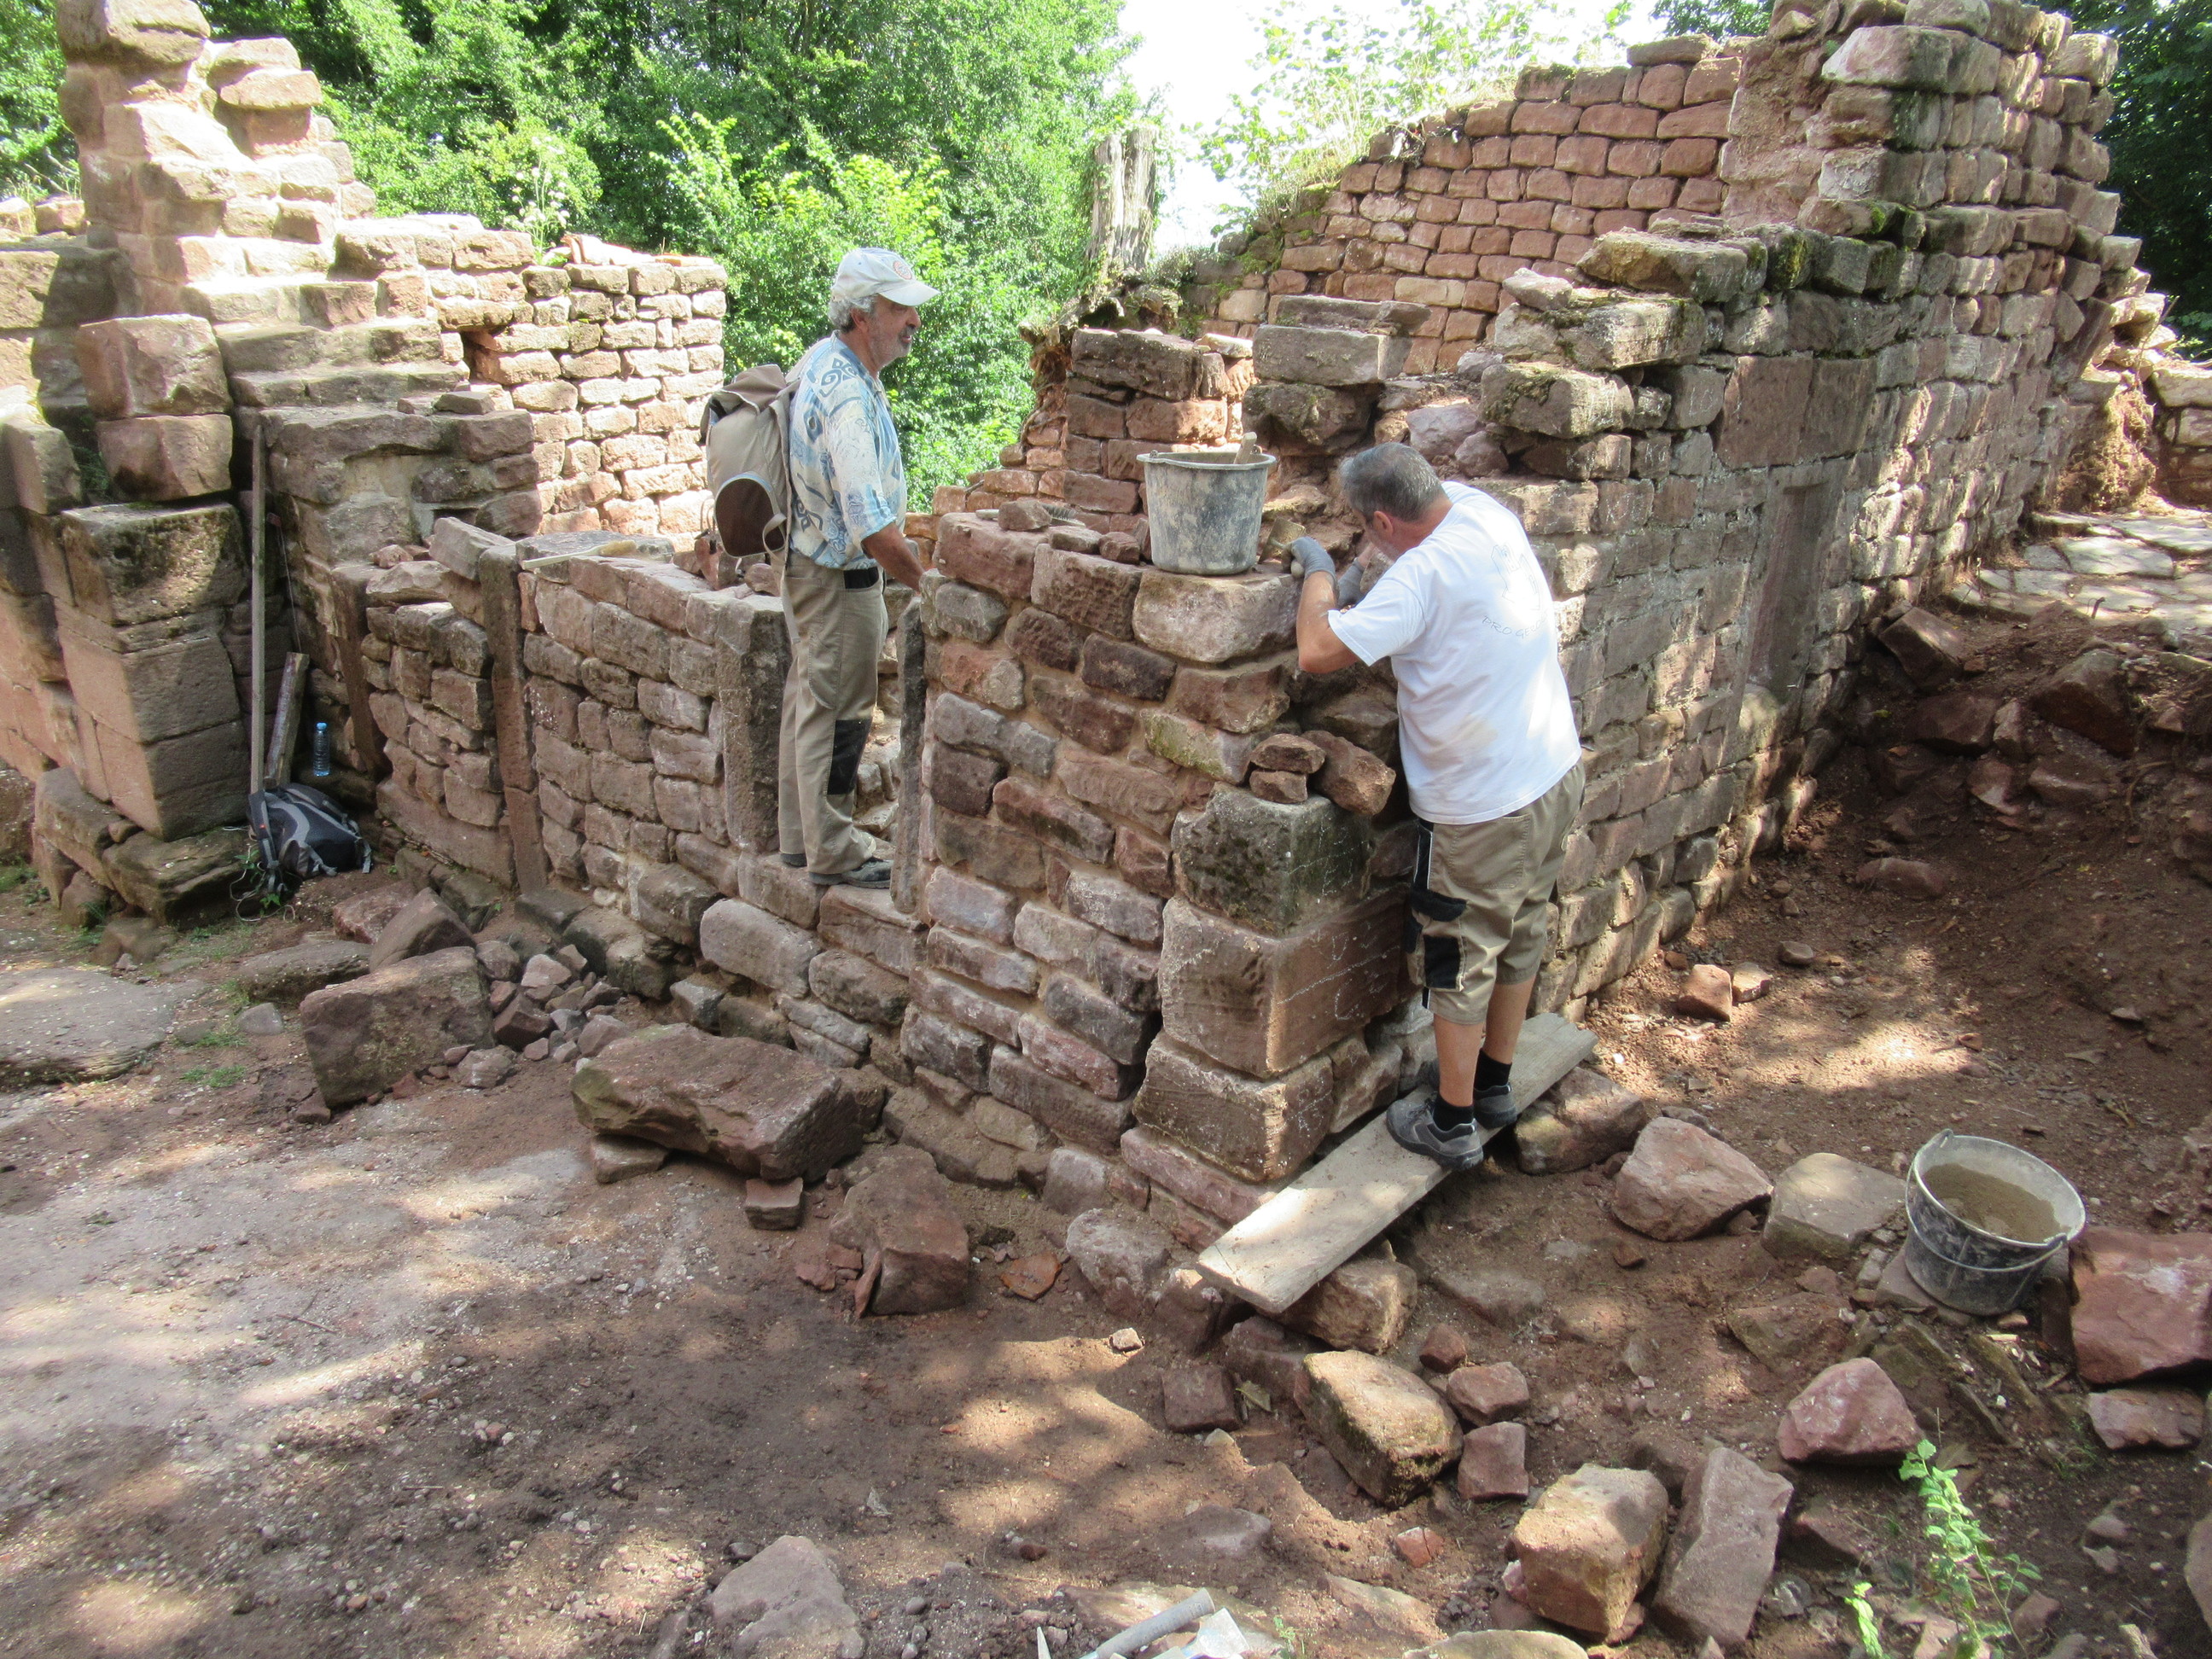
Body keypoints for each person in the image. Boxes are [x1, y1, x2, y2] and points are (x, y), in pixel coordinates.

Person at [1290, 443, 1584, 1170]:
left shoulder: (1421, 578)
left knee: (1457, 956)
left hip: (1482, 808)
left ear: (1385, 520)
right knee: (1520, 930)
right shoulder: (1482, 512)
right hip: (1551, 771)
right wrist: (1366, 563)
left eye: (1368, 527)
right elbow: (1398, 534)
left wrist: (1322, 574)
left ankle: (1453, 1122)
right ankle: (1491, 1086)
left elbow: (1316, 651)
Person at [773, 248, 938, 888]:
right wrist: (929, 584)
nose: (914, 321)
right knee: (841, 716)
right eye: (901, 309)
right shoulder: (845, 394)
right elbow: (871, 527)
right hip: (837, 580)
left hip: (806, 564)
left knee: (811, 704)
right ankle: (834, 853)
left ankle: (802, 840)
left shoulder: (825, 360)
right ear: (863, 316)